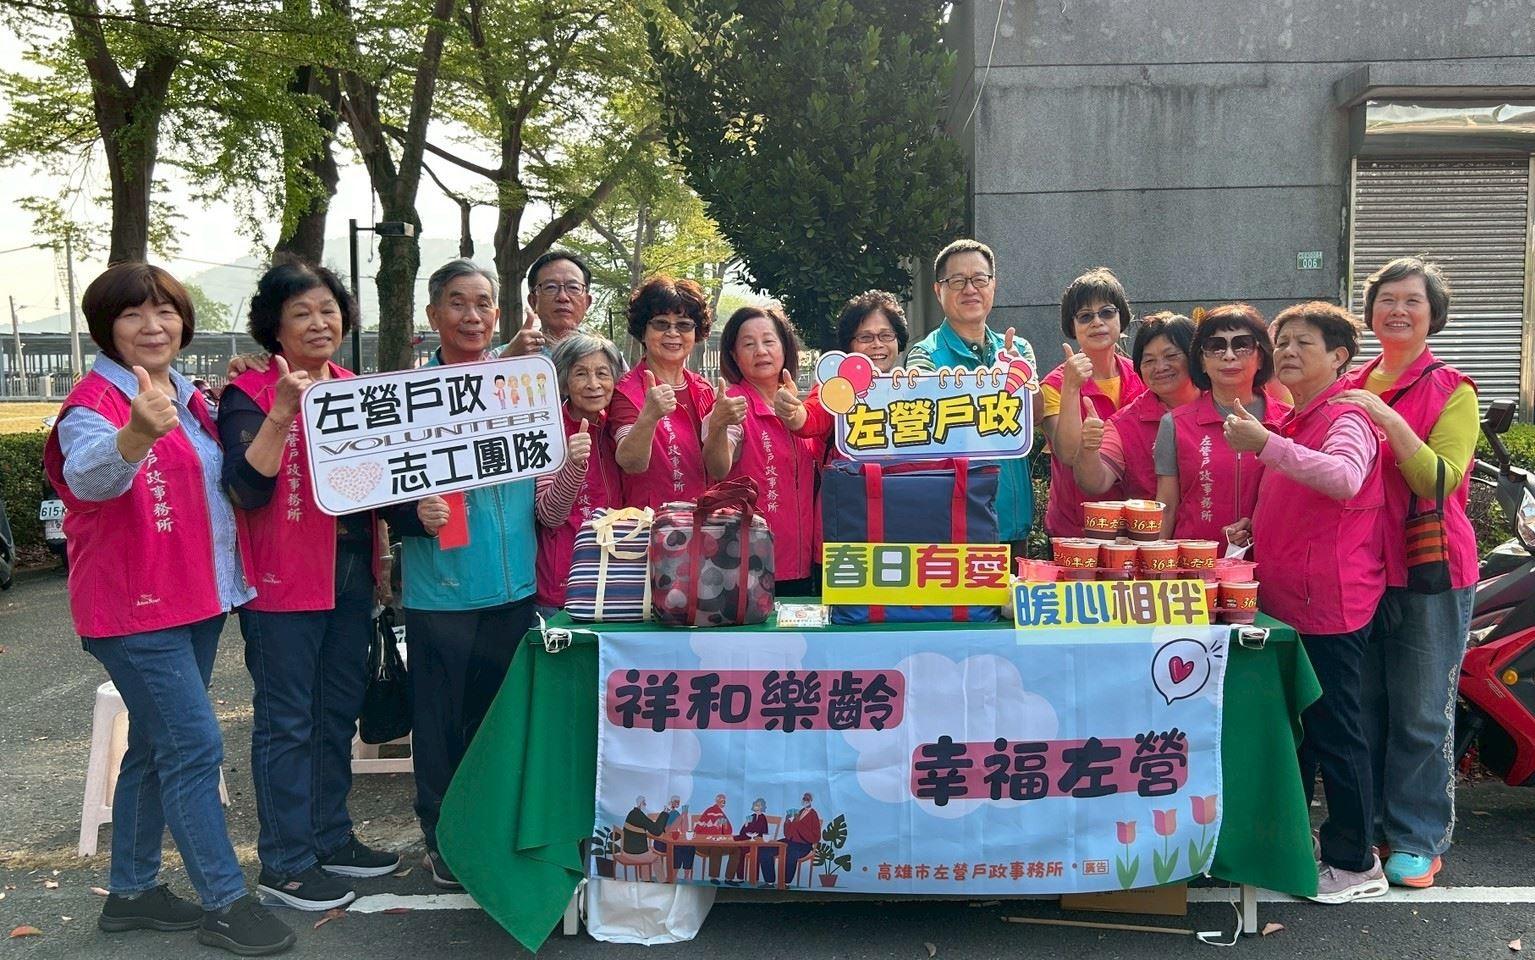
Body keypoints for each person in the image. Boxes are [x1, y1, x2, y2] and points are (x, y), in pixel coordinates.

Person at [43, 262, 294, 956]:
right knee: (192, 747)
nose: (152, 326)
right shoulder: (94, 405)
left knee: (158, 748)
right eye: (132, 314)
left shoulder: (189, 395)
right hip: (133, 609)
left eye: (165, 312)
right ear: (106, 327)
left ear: (183, 323)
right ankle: (224, 902)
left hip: (193, 599)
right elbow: (88, 478)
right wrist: (133, 435)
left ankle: (132, 892)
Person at [218, 260, 399, 912]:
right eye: (301, 313)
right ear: (275, 326)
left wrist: (386, 558)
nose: (319, 323)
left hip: (350, 575)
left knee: (335, 714)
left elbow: (383, 482)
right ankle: (287, 863)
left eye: (328, 310)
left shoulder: (353, 389)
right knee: (286, 722)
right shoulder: (248, 394)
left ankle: (330, 836)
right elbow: (244, 488)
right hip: (282, 583)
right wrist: (281, 412)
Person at [1224, 302, 1387, 903]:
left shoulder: (1347, 415)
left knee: (1337, 730)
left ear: (1340, 356)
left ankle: (1355, 861)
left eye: (1304, 343)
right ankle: (1318, 843)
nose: (1288, 351)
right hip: (1294, 596)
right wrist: (1255, 525)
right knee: (1309, 730)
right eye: (1283, 341)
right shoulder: (1298, 418)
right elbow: (1305, 491)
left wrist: (1265, 443)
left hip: (1330, 602)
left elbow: (1344, 478)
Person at [385, 259, 539, 890]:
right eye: (457, 303)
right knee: (440, 725)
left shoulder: (521, 387)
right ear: (432, 314)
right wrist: (412, 515)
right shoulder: (407, 396)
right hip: (442, 590)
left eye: (483, 304)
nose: (471, 316)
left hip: (516, 585)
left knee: (498, 720)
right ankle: (442, 837)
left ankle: (490, 831)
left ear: (497, 315)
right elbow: (376, 488)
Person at [1335, 256, 1479, 889]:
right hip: (1361, 569)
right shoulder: (1347, 383)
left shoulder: (1453, 389)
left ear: (1432, 315)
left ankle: (1419, 836)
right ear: (1370, 313)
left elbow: (1438, 480)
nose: (1397, 310)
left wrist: (1390, 420)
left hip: (1430, 569)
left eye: (1412, 301)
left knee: (1421, 710)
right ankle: (1368, 825)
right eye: (1386, 300)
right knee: (1364, 706)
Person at [905, 239, 1037, 552]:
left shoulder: (1018, 349)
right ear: (938, 290)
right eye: (957, 281)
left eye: (979, 279)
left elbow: (1036, 417)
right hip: (952, 524)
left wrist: (1020, 378)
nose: (970, 289)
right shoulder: (924, 356)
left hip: (1011, 519)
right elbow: (925, 425)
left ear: (993, 285)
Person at [704, 306, 822, 595]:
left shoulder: (799, 407)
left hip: (803, 563)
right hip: (749, 566)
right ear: (734, 355)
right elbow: (717, 467)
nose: (761, 351)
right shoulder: (732, 406)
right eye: (748, 344)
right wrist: (718, 425)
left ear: (785, 347)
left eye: (769, 341)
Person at [1153, 304, 1290, 544]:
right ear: (1201, 361)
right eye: (1216, 346)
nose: (1229, 355)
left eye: (1242, 345)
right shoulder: (1175, 424)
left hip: (1270, 556)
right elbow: (1167, 506)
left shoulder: (1287, 421)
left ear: (1260, 357)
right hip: (1196, 560)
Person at [1038, 268, 1146, 536]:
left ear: (1122, 318)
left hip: (1139, 523)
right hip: (1076, 529)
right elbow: (1067, 454)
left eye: (1107, 312)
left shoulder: (1143, 375)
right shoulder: (1054, 384)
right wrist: (1071, 387)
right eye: (1085, 316)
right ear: (1072, 326)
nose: (1097, 322)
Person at [534, 333, 626, 612]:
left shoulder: (616, 428)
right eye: (581, 374)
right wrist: (572, 464)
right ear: (564, 382)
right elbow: (549, 515)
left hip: (616, 582)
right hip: (562, 588)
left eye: (602, 373)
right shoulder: (548, 430)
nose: (593, 384)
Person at [609, 275, 717, 511]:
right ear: (643, 331)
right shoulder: (626, 391)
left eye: (684, 325)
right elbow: (631, 463)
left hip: (704, 524)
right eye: (661, 324)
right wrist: (648, 417)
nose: (673, 333)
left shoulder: (704, 389)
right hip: (650, 527)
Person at [1071, 313, 1199, 499]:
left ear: (1195, 356)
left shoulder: (1222, 405)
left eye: (1171, 356)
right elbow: (1095, 483)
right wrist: (1088, 448)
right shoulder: (1123, 425)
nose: (1160, 367)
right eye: (1149, 360)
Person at [774, 290, 911, 440]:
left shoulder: (913, 387)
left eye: (886, 335)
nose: (877, 344)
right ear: (849, 344)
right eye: (865, 337)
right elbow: (811, 417)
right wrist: (793, 413)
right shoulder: (837, 385)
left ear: (898, 340)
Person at [524, 249, 593, 350]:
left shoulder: (605, 355)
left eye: (573, 287)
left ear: (587, 302)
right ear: (533, 301)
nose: (562, 297)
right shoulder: (509, 355)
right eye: (551, 287)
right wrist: (512, 358)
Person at [725, 798, 776, 887]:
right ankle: (739, 877)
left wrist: (753, 834)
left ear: (762, 807)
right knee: (738, 850)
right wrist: (746, 824)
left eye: (759, 805)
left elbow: (762, 832)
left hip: (758, 843)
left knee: (755, 852)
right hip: (748, 841)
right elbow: (742, 832)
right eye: (756, 805)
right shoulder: (751, 816)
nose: (757, 806)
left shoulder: (763, 818)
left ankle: (754, 878)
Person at [691, 793, 734, 882]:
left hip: (718, 844)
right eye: (722, 800)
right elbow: (697, 830)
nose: (724, 802)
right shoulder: (709, 811)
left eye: (724, 801)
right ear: (717, 801)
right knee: (716, 848)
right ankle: (713, 877)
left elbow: (728, 832)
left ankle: (729, 878)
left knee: (736, 849)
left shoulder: (722, 815)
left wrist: (724, 825)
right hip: (704, 845)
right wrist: (714, 829)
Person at [782, 791, 821, 884]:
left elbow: (816, 836)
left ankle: (785, 883)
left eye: (807, 799)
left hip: (804, 845)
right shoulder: (799, 813)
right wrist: (787, 821)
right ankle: (770, 882)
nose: (805, 800)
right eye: (804, 798)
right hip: (791, 841)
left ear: (811, 801)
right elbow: (788, 833)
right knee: (769, 848)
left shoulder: (813, 814)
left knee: (792, 854)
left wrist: (800, 825)